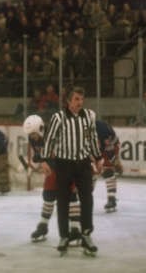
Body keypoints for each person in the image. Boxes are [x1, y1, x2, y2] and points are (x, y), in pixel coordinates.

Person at [42, 85, 103, 256]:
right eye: (76, 99)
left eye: (81, 99)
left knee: (87, 199)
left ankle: (86, 235)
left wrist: (98, 158)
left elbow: (92, 139)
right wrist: (45, 160)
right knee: (63, 201)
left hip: (83, 164)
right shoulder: (58, 117)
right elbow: (49, 140)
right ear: (68, 101)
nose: (80, 102)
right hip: (64, 164)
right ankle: (64, 236)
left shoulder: (89, 116)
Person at [23, 115, 82, 243]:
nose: (33, 137)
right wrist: (38, 162)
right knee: (48, 195)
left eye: (34, 134)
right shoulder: (33, 138)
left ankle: (75, 230)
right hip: (54, 168)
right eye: (30, 135)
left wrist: (45, 163)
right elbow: (39, 155)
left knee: (71, 196)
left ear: (40, 129)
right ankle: (43, 226)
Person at [95, 120, 123, 213]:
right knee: (89, 172)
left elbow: (110, 152)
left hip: (111, 146)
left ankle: (112, 199)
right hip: (97, 149)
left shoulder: (102, 130)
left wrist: (116, 163)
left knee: (108, 171)